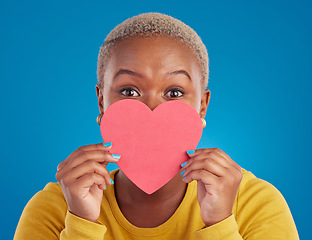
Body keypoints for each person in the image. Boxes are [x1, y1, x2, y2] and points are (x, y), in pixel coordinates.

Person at [14, 12, 299, 240]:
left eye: (174, 93)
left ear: (202, 106)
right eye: (129, 92)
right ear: (101, 102)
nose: (151, 110)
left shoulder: (255, 205)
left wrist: (220, 223)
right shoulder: (54, 209)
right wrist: (81, 224)